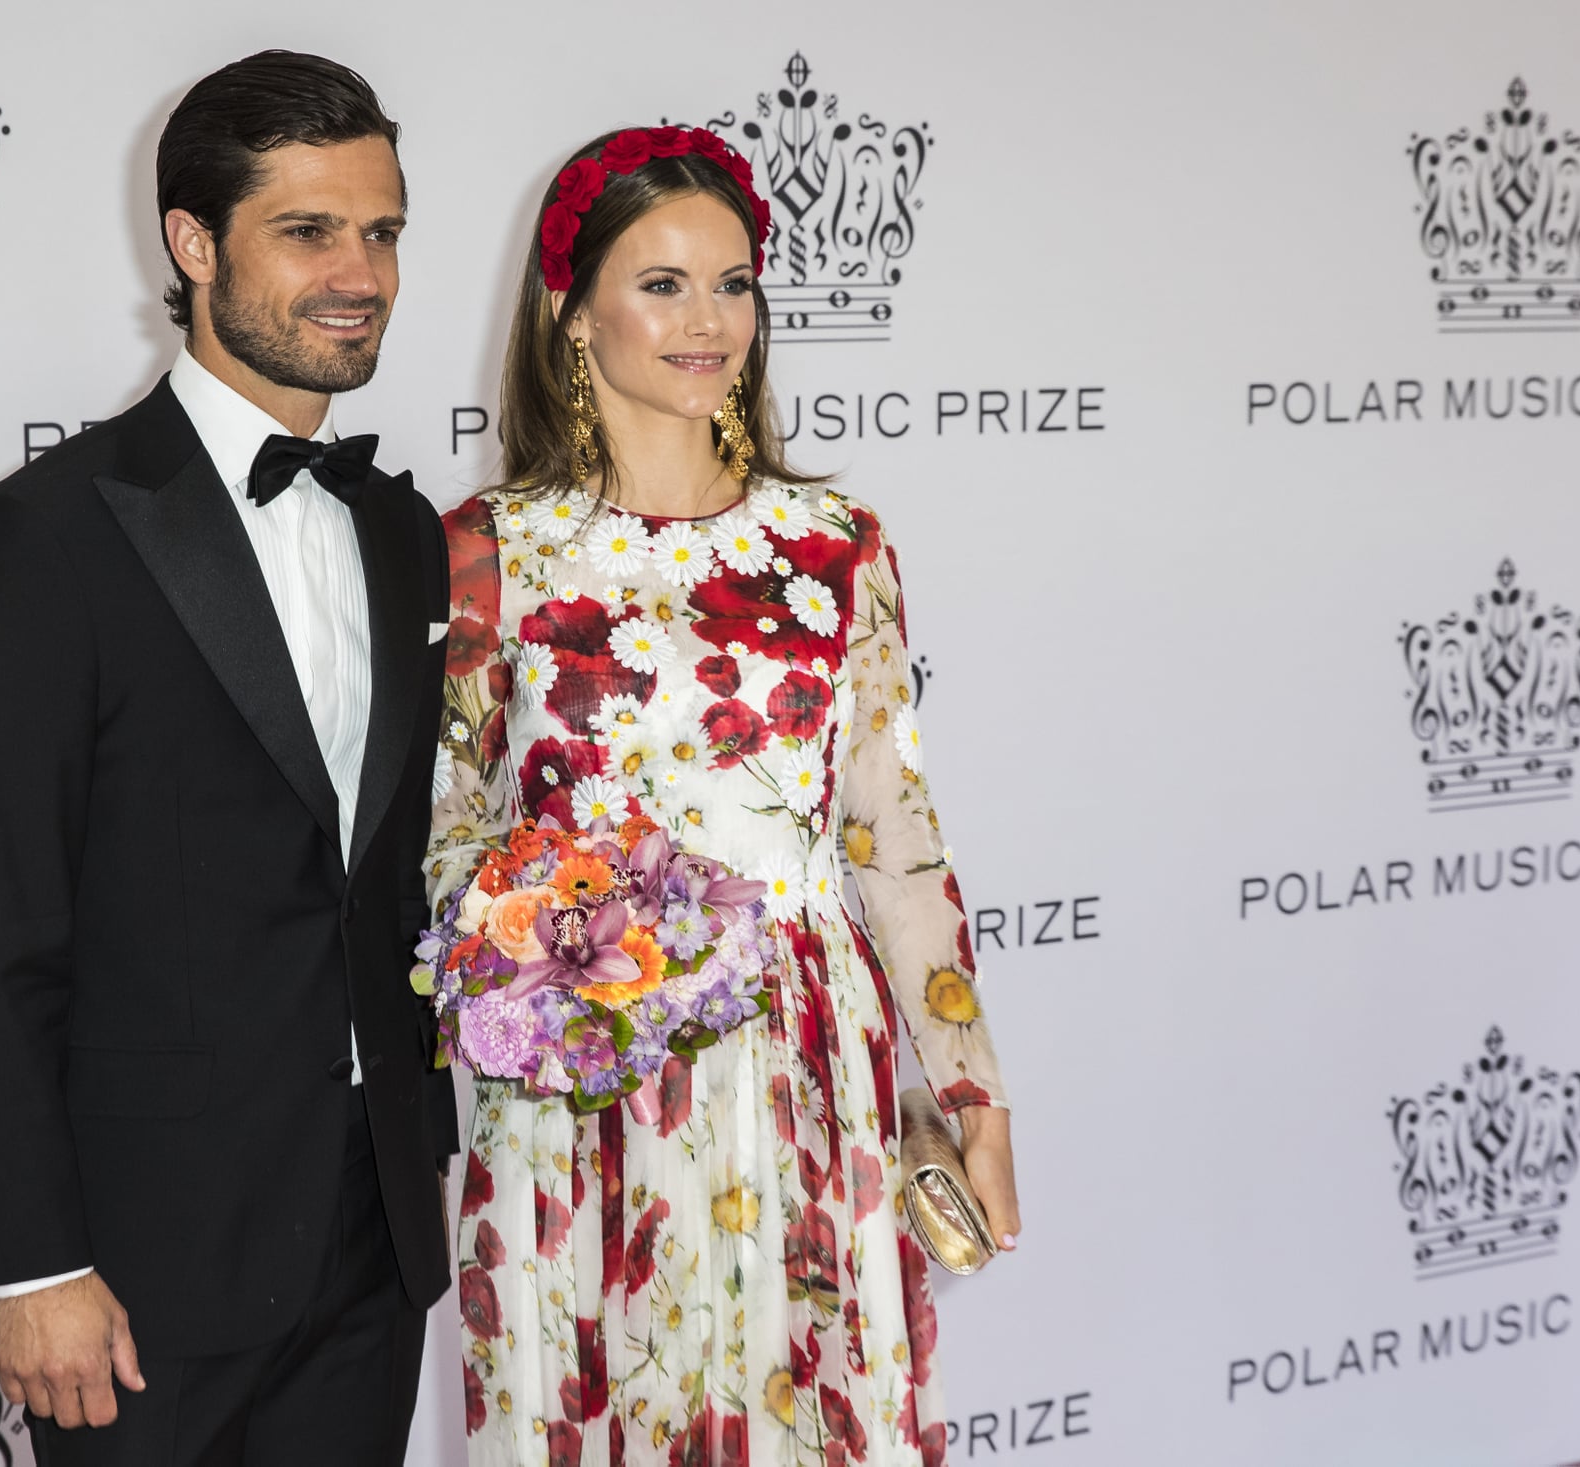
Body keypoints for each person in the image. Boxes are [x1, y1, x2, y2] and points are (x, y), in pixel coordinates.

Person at [426, 126, 1021, 1465]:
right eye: (664, 283)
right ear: (572, 315)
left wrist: (976, 1099)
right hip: (581, 1080)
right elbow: (445, 830)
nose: (710, 323)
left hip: (805, 1054)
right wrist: (543, 935)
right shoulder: (485, 552)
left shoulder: (832, 549)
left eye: (736, 283)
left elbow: (899, 845)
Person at [0, 51, 455, 1466]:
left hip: (369, 1241)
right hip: (140, 1270)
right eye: (309, 230)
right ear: (194, 243)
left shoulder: (400, 531)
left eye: (382, 231)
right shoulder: (41, 539)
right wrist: (30, 1268)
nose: (360, 273)